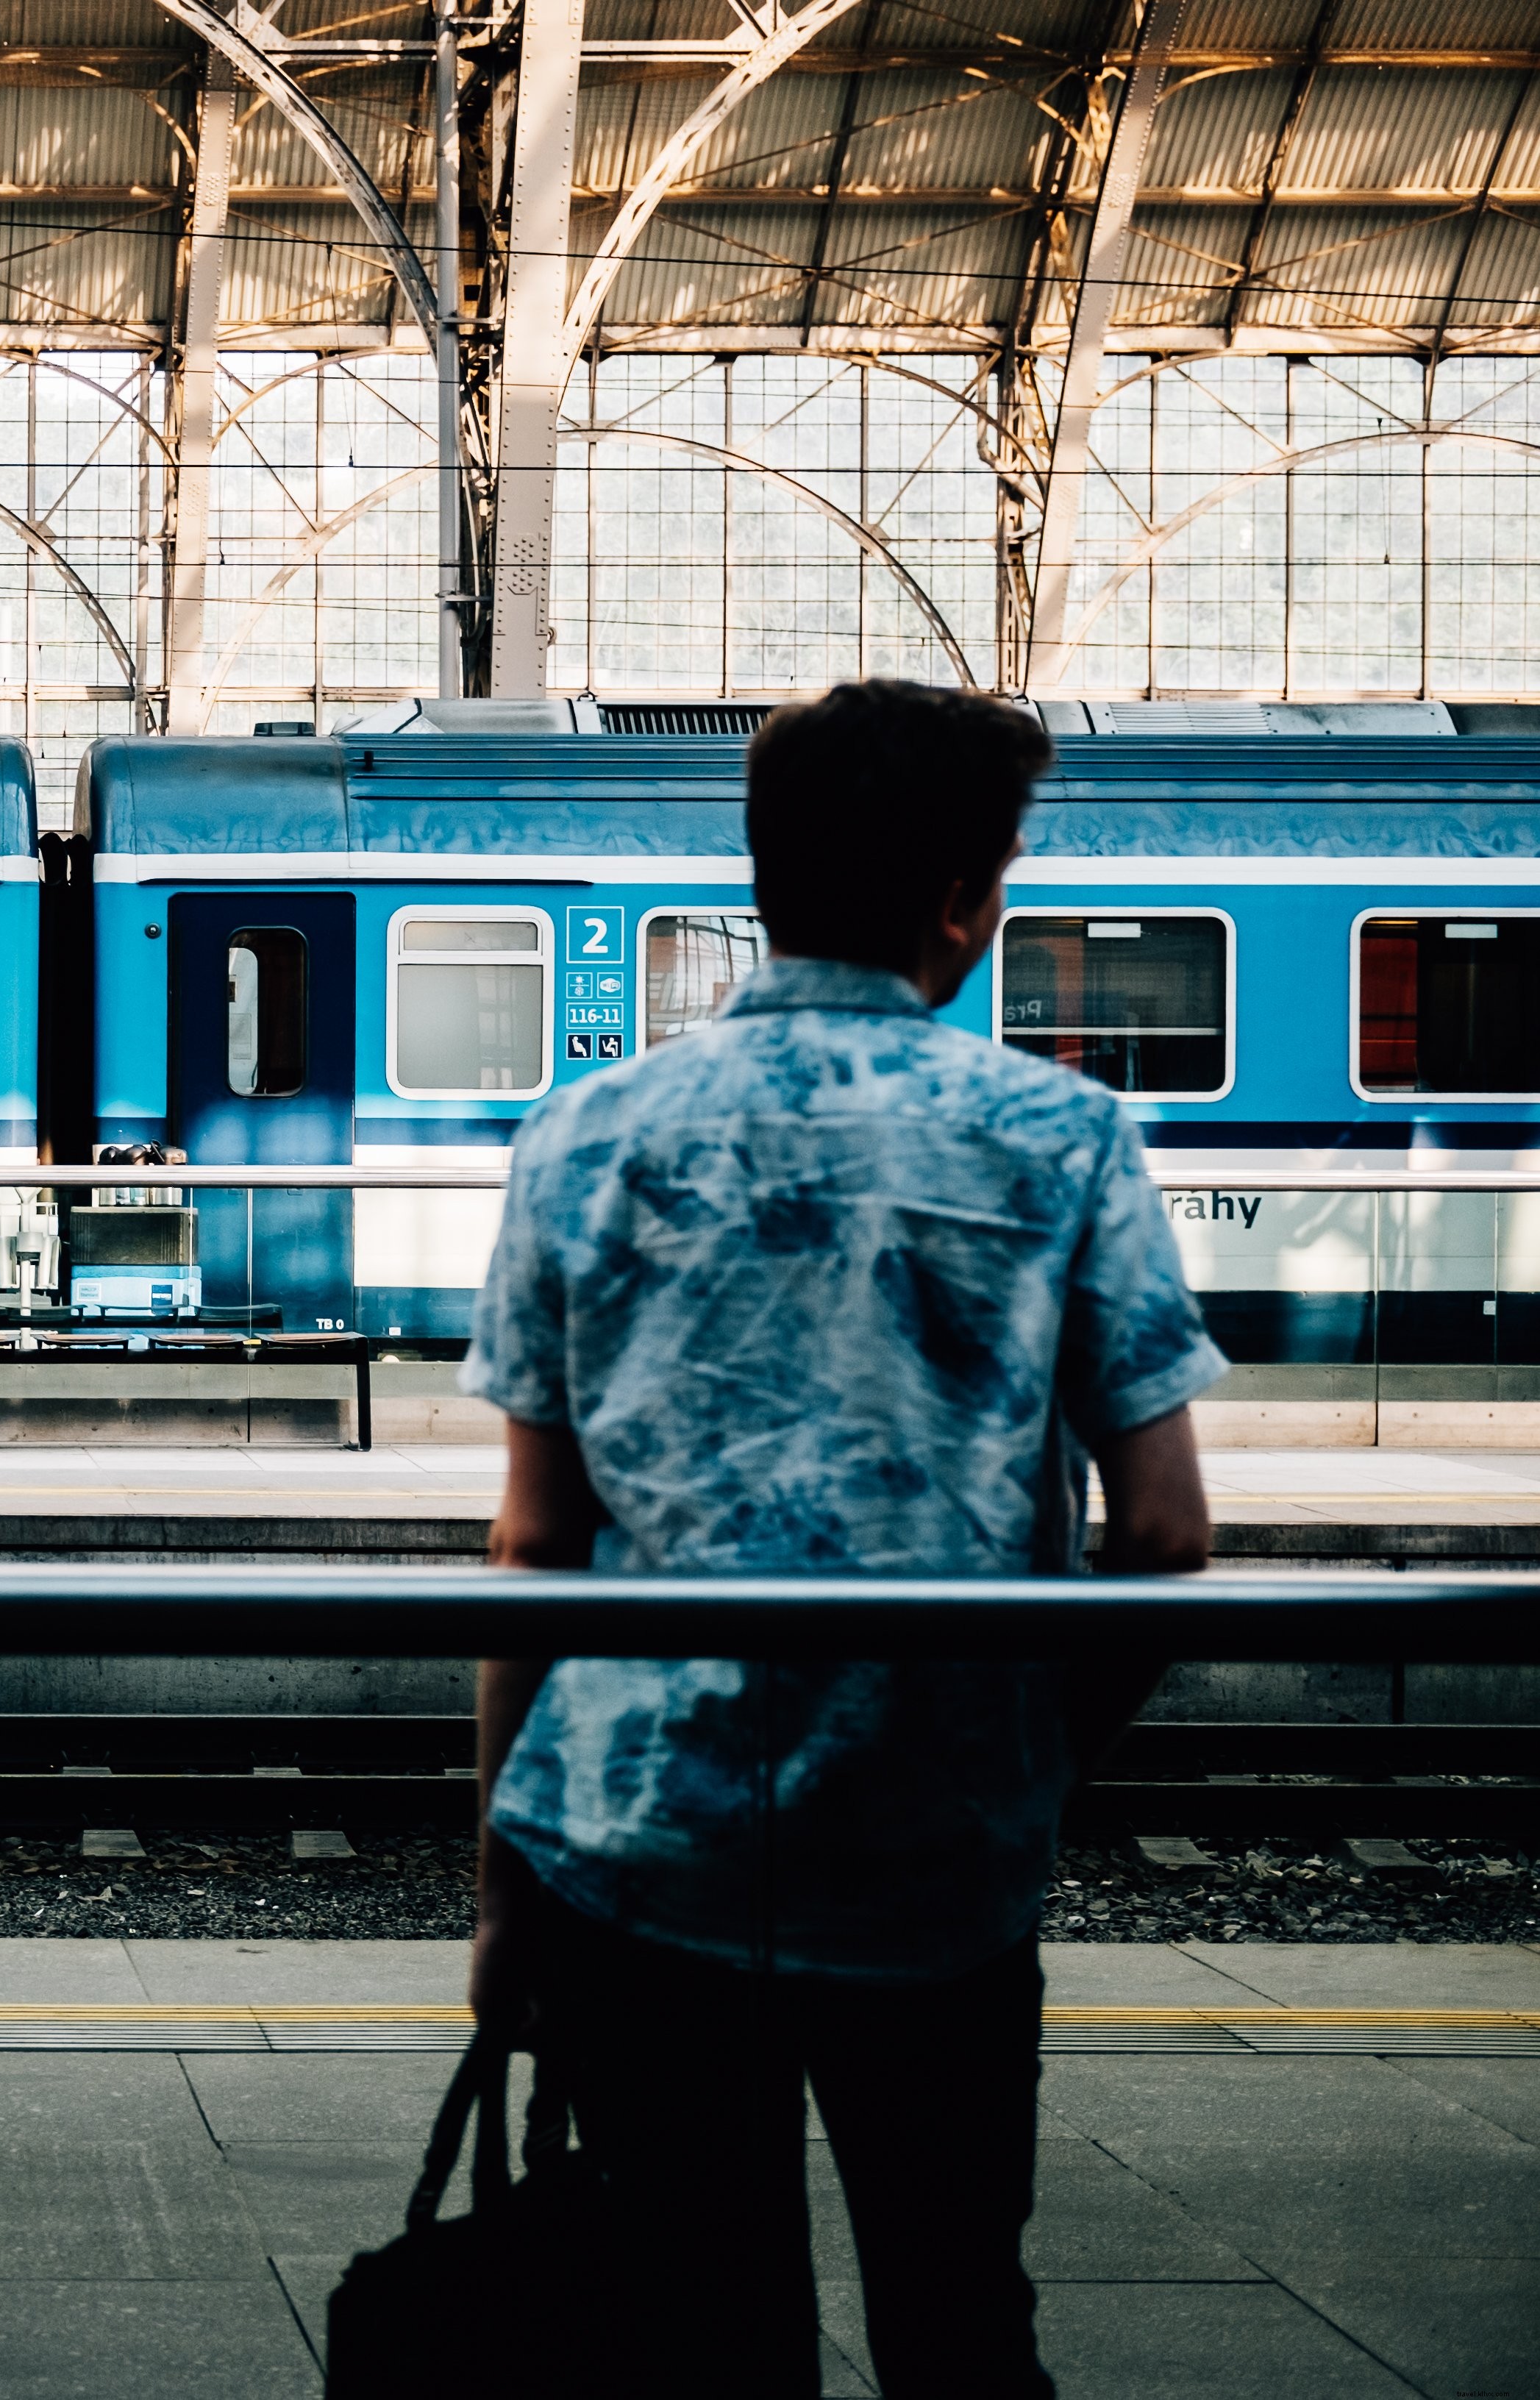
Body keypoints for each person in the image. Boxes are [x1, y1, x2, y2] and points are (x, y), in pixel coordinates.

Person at [457, 680, 1223, 2398]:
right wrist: (1020, 1755)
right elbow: (1165, 1534)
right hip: (934, 1868)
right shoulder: (1062, 1138)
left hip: (635, 1854)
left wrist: (505, 1898)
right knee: (956, 2323)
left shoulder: (581, 1135)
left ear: (760, 873)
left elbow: (534, 1549)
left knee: (702, 2341)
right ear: (961, 899)